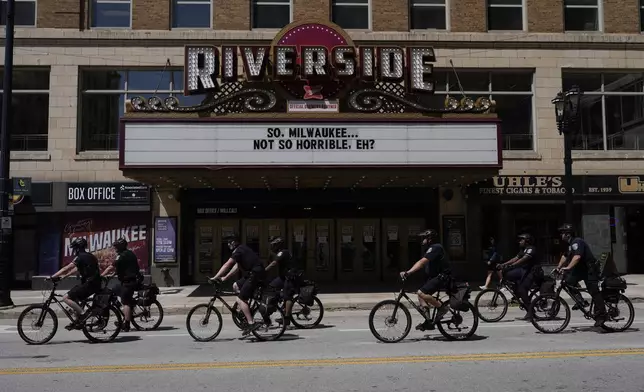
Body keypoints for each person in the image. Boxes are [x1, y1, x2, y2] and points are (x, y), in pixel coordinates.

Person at [211, 236, 266, 335]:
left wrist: (215, 277)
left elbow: (227, 265)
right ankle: (245, 308)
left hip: (255, 274)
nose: (228, 245)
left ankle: (251, 323)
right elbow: (236, 267)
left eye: (229, 242)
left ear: (234, 243)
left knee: (240, 300)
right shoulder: (241, 250)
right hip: (251, 273)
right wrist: (224, 278)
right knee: (235, 285)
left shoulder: (239, 250)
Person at [555, 223, 607, 327]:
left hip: (590, 270)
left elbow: (577, 257)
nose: (561, 235)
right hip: (581, 270)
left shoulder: (577, 242)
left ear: (568, 234)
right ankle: (581, 301)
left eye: (563, 233)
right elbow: (565, 256)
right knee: (568, 282)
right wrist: (558, 267)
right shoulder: (570, 245)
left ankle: (602, 315)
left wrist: (568, 267)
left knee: (594, 292)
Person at [399, 229, 451, 331]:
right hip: (436, 277)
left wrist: (408, 272)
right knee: (421, 297)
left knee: (421, 292)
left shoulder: (436, 247)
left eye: (424, 238)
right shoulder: (430, 249)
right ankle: (428, 322)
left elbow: (422, 262)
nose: (422, 240)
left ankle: (442, 307)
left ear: (430, 239)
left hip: (442, 277)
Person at [49, 237, 101, 330]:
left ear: (77, 248)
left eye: (74, 248)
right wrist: (63, 277)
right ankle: (78, 321)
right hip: (93, 283)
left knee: (66, 298)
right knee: (74, 298)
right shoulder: (89, 256)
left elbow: (66, 268)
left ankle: (83, 315)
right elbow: (75, 269)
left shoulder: (80, 256)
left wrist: (52, 277)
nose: (73, 250)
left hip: (90, 283)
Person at [101, 238, 143, 332]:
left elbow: (112, 266)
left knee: (125, 302)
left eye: (116, 246)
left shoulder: (121, 255)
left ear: (121, 246)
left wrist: (101, 276)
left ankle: (126, 325)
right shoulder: (130, 253)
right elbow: (122, 268)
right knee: (114, 290)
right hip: (131, 280)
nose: (115, 248)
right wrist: (111, 276)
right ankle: (128, 308)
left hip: (129, 282)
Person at [497, 233, 539, 321]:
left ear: (527, 241)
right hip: (523, 271)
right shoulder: (523, 250)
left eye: (521, 240)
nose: (519, 241)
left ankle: (531, 312)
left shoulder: (531, 249)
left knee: (522, 289)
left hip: (532, 272)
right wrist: (504, 264)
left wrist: (512, 266)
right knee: (507, 274)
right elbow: (515, 258)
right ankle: (517, 292)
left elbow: (523, 259)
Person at [265, 236, 297, 326]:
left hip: (290, 277)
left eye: (274, 245)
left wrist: (264, 270)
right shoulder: (279, 252)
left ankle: (286, 318)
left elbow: (274, 263)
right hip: (283, 277)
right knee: (271, 286)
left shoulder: (283, 252)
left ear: (278, 245)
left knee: (288, 296)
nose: (272, 247)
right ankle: (280, 301)